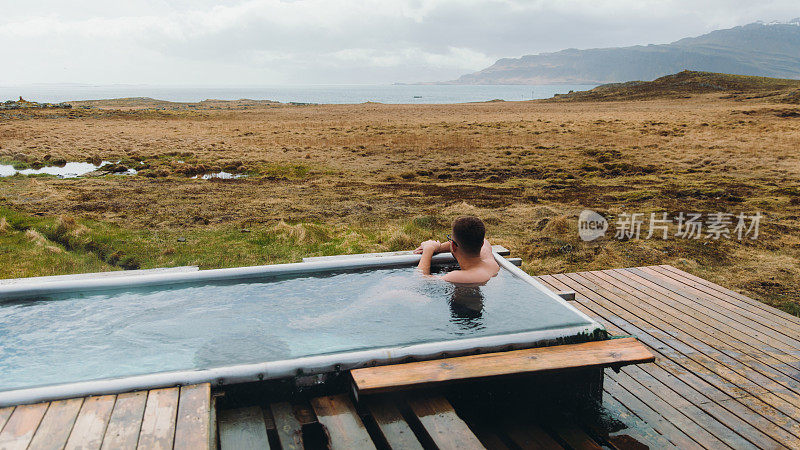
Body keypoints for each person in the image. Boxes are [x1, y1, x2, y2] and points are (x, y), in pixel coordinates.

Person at [414, 216, 500, 284]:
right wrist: (438, 247)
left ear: (453, 246)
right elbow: (484, 241)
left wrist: (428, 250)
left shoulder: (458, 276)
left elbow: (421, 280)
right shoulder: (491, 263)